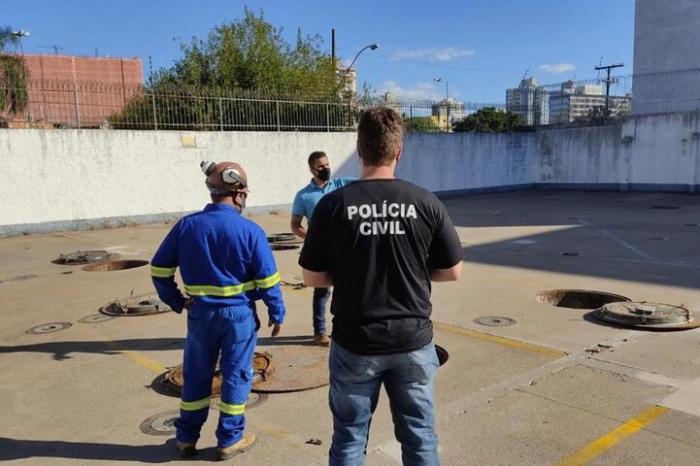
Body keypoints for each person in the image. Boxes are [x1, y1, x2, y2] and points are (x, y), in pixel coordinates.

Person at [299, 106, 463, 466]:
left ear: (359, 151)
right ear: (399, 151)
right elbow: (452, 271)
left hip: (355, 343)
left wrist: (349, 273)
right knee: (420, 438)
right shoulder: (425, 202)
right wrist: (417, 272)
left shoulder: (332, 206)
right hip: (413, 341)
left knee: (348, 440)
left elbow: (312, 277)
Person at [151, 160, 286, 461]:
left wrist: (175, 300)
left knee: (196, 376)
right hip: (238, 317)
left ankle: (186, 438)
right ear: (238, 195)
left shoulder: (187, 226)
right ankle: (229, 439)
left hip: (200, 316)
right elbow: (268, 280)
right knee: (236, 376)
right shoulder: (251, 231)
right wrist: (277, 312)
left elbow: (159, 269)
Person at [291, 151, 354, 346]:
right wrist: (312, 239)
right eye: (320, 166)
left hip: (344, 249)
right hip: (322, 252)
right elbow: (295, 225)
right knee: (322, 292)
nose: (325, 168)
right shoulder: (304, 196)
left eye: (327, 164)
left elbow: (368, 184)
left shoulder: (342, 184)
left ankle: (346, 328)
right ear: (311, 169)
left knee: (348, 289)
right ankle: (319, 332)